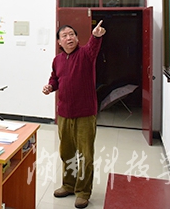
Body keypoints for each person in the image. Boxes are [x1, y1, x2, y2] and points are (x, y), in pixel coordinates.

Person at [42, 20, 106, 209]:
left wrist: (96, 36)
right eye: (64, 36)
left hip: (85, 113)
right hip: (64, 113)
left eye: (72, 34)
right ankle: (68, 185)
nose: (69, 38)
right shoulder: (57, 60)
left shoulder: (86, 54)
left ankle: (83, 191)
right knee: (66, 152)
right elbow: (55, 79)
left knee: (85, 155)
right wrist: (50, 87)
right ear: (59, 42)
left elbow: (93, 47)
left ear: (77, 38)